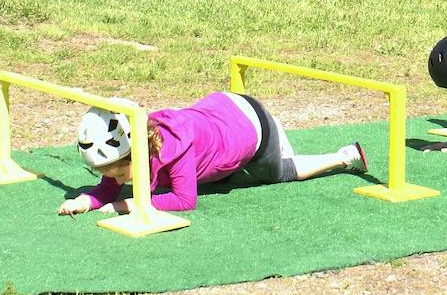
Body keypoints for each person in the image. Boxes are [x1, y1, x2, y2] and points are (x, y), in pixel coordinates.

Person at [58, 92, 367, 215]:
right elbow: (108, 188)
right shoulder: (135, 141)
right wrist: (84, 201)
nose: (115, 180)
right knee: (218, 178)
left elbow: (185, 200)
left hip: (254, 128)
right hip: (224, 109)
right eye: (109, 173)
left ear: (136, 152)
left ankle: (343, 156)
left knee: (278, 173)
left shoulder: (173, 148)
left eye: (119, 172)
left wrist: (125, 205)